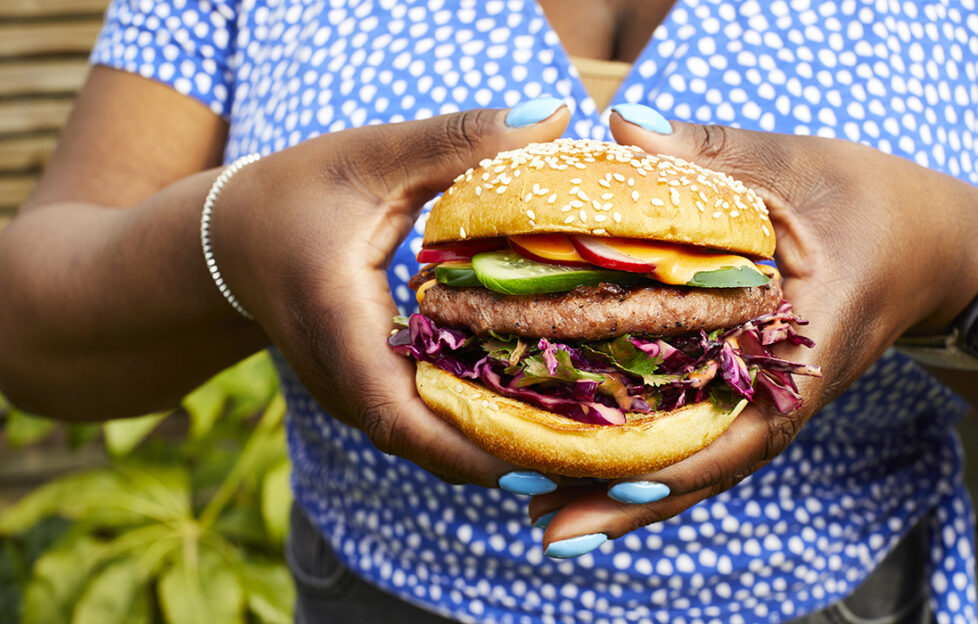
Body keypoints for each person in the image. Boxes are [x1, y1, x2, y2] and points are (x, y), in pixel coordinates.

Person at [0, 0, 976, 622]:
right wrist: (226, 233)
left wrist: (953, 256)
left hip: (847, 598)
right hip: (368, 598)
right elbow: (30, 329)